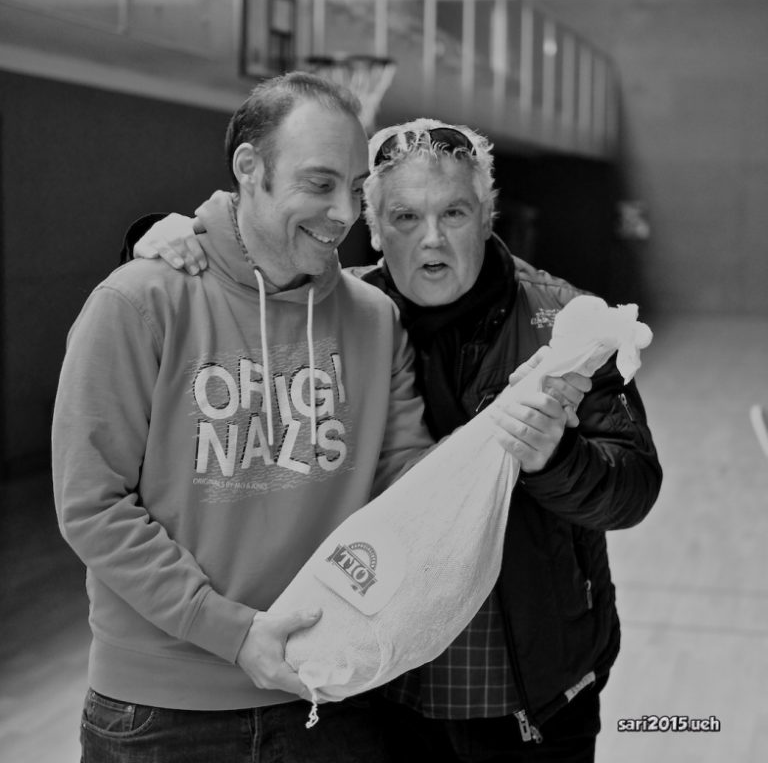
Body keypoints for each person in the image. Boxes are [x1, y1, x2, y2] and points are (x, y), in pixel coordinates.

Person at [127, 118, 662, 762]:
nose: (432, 238)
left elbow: (634, 488)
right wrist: (163, 240)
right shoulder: (335, 314)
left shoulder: (566, 324)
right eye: (405, 217)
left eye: (453, 213)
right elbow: (234, 303)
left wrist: (557, 458)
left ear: (486, 216)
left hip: (534, 692)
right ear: (375, 229)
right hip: (381, 697)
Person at [53, 73, 440, 763]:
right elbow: (93, 505)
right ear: (250, 168)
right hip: (160, 711)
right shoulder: (140, 301)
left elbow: (404, 489)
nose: (343, 213)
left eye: (355, 188)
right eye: (319, 184)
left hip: (328, 695)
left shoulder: (376, 319)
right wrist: (230, 632)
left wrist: (502, 440)